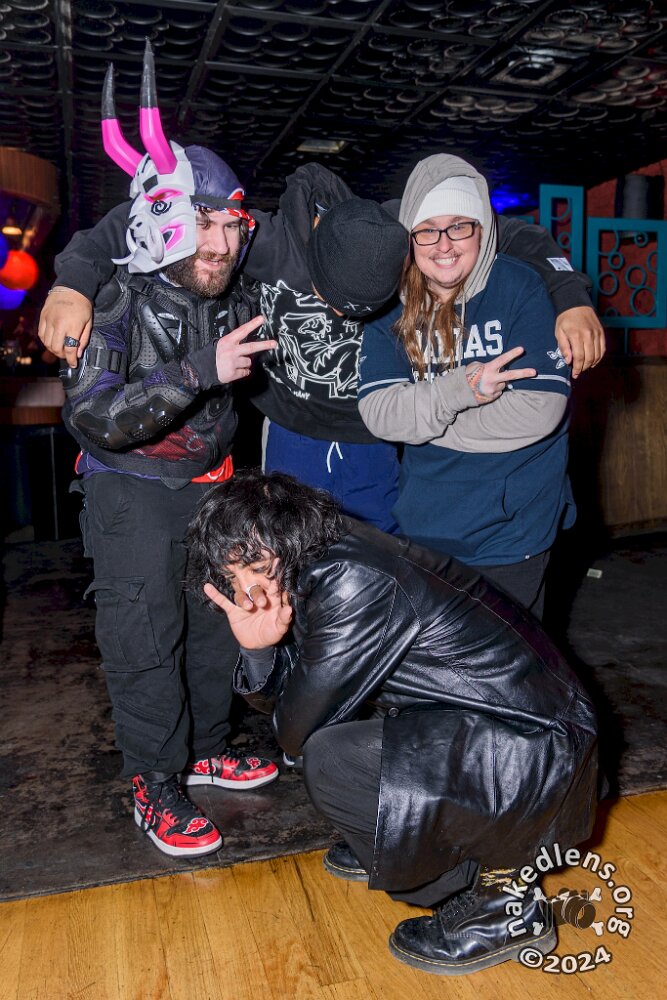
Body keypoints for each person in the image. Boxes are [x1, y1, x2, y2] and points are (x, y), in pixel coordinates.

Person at [185, 469, 598, 977]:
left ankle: (501, 905)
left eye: (255, 566)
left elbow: (295, 732)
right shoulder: (322, 553)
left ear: (287, 536)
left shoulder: (352, 580)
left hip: (536, 751)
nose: (247, 587)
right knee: (340, 739)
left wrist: (263, 649)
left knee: (331, 759)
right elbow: (302, 694)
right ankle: (406, 840)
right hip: (504, 731)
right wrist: (260, 651)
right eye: (232, 574)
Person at [39, 168, 604, 536]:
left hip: (373, 431)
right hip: (292, 428)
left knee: (380, 558)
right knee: (288, 551)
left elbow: (513, 235)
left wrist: (571, 298)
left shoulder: (397, 228)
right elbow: (151, 211)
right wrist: (72, 284)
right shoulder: (268, 240)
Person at [59, 43, 280, 859]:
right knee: (145, 638)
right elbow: (94, 419)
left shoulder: (231, 290)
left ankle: (205, 749)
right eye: (203, 223)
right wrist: (196, 372)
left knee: (213, 623)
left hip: (210, 486)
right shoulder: (113, 301)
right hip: (130, 489)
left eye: (230, 225)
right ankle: (154, 783)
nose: (220, 242)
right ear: (160, 223)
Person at [358, 154, 587, 618]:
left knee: (509, 660)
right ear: (410, 237)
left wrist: (421, 422)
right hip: (425, 524)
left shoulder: (522, 287)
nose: (444, 244)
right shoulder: (392, 304)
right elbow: (380, 413)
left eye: (459, 226)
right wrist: (461, 391)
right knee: (435, 658)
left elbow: (537, 411)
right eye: (427, 230)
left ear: (482, 229)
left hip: (512, 532)